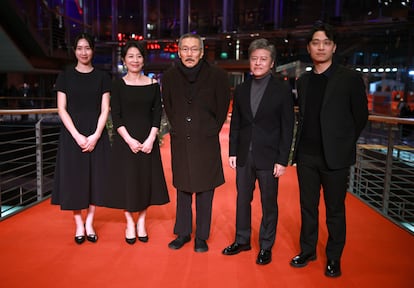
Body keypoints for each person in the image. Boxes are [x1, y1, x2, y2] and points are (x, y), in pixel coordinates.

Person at [289, 21, 368, 277]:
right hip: (307, 156)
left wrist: (342, 143)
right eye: (315, 42)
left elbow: (360, 117)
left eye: (325, 43)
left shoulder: (350, 79)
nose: (320, 47)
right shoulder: (304, 81)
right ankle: (308, 250)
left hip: (335, 157)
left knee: (335, 211)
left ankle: (334, 257)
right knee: (307, 207)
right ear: (309, 48)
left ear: (333, 47)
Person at [221, 38, 295, 265]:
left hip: (270, 156)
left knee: (268, 202)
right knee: (243, 199)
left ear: (271, 63)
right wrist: (233, 151)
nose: (258, 63)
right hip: (244, 154)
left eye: (263, 59)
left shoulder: (282, 90)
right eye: (254, 59)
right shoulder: (242, 89)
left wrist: (283, 159)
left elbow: (287, 126)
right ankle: (242, 240)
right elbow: (237, 123)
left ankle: (266, 246)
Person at [162, 33, 230, 252]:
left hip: (206, 140)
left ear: (201, 52)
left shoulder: (217, 76)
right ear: (179, 51)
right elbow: (170, 107)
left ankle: (201, 236)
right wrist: (181, 128)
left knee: (205, 190)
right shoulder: (170, 76)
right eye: (185, 49)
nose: (189, 54)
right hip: (181, 140)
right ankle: (182, 233)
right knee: (182, 188)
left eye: (194, 49)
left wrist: (209, 129)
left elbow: (221, 109)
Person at [104, 40, 169, 244]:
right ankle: (129, 223)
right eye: (130, 56)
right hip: (126, 141)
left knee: (145, 182)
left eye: (139, 56)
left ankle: (141, 221)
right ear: (124, 60)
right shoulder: (118, 84)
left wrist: (151, 139)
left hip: (148, 141)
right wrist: (130, 140)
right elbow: (117, 115)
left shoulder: (152, 85)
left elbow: (157, 114)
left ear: (143, 60)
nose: (135, 60)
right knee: (128, 182)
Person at [51, 33, 111, 245]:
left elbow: (105, 109)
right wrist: (77, 135)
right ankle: (78, 224)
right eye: (79, 48)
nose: (83, 52)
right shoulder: (65, 76)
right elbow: (61, 108)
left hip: (97, 134)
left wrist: (95, 135)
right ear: (74, 51)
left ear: (93, 50)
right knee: (75, 180)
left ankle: (90, 223)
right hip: (72, 135)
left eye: (87, 48)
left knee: (95, 179)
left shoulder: (103, 77)